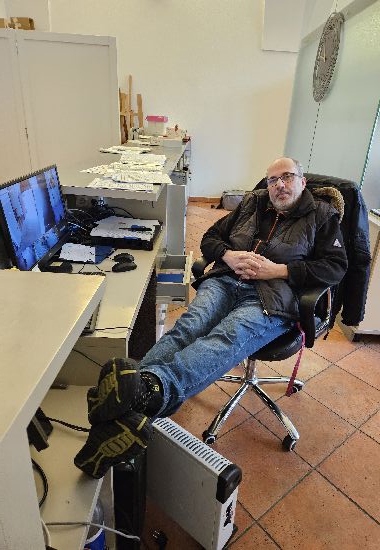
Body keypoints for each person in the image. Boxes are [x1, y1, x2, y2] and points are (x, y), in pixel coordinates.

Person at [74, 157, 348, 478]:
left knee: (224, 337)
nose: (279, 185)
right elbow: (210, 239)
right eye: (272, 180)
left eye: (287, 177)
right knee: (188, 327)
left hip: (272, 296)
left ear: (302, 181)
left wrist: (279, 270)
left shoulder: (323, 216)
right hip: (225, 280)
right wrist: (228, 255)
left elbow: (335, 267)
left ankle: (145, 392)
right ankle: (132, 403)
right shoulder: (253, 202)